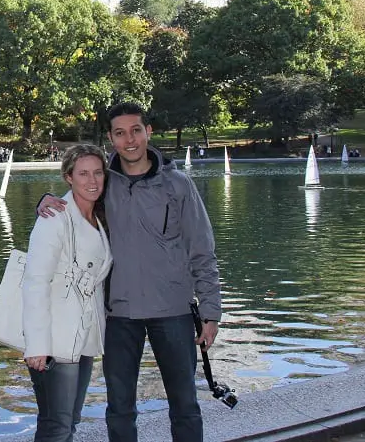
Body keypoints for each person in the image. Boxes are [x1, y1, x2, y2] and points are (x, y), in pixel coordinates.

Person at [37, 102, 221, 442]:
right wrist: (46, 200)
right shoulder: (104, 183)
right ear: (111, 139)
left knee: (185, 405)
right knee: (120, 410)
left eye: (136, 130)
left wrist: (211, 310)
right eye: (120, 133)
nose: (130, 140)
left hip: (174, 312)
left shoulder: (178, 185)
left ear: (148, 132)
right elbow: (74, 199)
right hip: (119, 315)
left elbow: (202, 251)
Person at [24, 144, 112, 442]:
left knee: (68, 420)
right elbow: (35, 282)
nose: (92, 180)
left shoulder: (99, 217)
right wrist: (37, 344)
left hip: (83, 335)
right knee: (57, 425)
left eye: (98, 172)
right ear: (68, 177)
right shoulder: (54, 218)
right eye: (83, 173)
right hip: (54, 338)